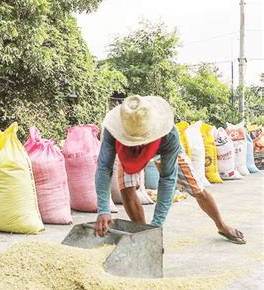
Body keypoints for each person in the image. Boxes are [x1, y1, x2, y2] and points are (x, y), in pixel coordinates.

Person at [94, 95, 246, 244]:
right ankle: (144, 236)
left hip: (162, 149)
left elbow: (168, 179)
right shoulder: (114, 129)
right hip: (129, 152)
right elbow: (103, 167)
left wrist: (157, 223)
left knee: (197, 189)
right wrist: (103, 210)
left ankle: (221, 225)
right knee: (126, 187)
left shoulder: (168, 133)